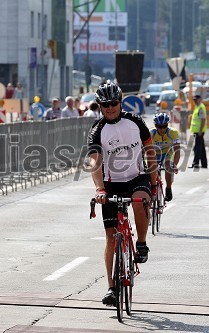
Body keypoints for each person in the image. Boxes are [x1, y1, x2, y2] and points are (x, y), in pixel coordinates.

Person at [87, 81, 157, 307]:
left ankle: (142, 243)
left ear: (121, 102)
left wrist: (154, 182)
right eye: (105, 104)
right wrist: (99, 190)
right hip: (111, 183)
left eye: (114, 103)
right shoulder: (98, 130)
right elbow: (94, 162)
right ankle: (111, 288)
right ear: (99, 105)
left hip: (137, 177)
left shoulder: (135, 122)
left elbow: (150, 151)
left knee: (140, 202)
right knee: (111, 236)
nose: (110, 108)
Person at [150, 113, 180, 201]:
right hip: (155, 153)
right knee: (150, 169)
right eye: (159, 126)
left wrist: (174, 165)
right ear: (155, 126)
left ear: (167, 125)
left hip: (168, 153)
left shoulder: (173, 133)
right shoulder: (151, 133)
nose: (162, 129)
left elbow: (177, 151)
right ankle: (152, 188)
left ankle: (168, 188)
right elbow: (144, 150)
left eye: (165, 126)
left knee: (168, 166)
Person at [189, 95, 208, 169]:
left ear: (200, 99)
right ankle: (204, 164)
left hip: (199, 131)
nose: (195, 101)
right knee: (201, 148)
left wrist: (200, 130)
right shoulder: (197, 107)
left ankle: (195, 163)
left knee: (197, 148)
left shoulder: (200, 108)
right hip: (197, 131)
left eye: (196, 100)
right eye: (194, 100)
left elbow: (203, 120)